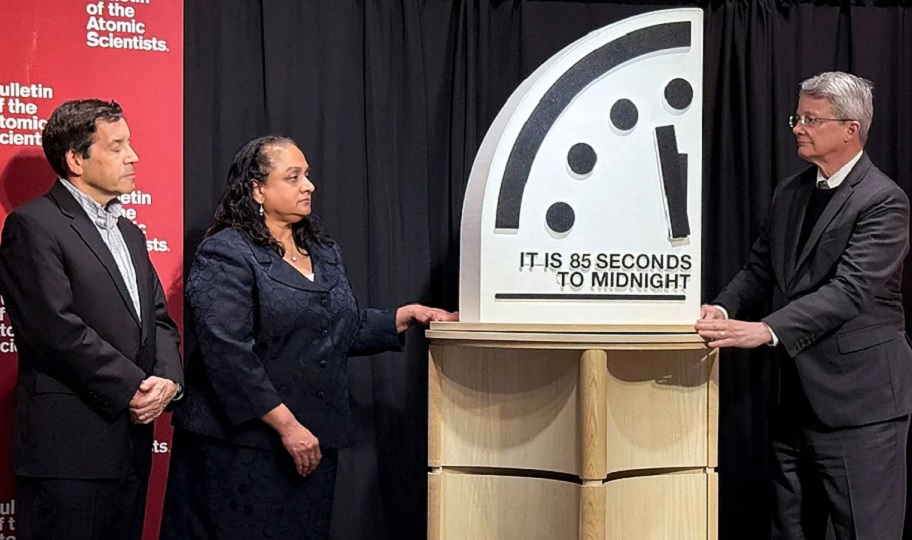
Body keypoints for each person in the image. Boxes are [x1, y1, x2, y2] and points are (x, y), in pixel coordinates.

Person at [161, 135, 457, 539]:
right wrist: (287, 427)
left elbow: (332, 329)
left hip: (311, 446)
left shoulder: (321, 250)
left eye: (307, 175)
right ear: (257, 190)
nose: (309, 186)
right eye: (293, 176)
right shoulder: (226, 252)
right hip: (240, 450)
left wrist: (403, 317)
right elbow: (227, 354)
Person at [695, 71, 912, 539]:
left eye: (812, 119)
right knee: (791, 530)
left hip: (859, 404)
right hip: (792, 399)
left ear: (851, 129)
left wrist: (766, 329)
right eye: (797, 117)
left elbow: (849, 291)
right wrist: (723, 309)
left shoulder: (883, 201)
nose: (798, 128)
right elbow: (760, 270)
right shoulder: (790, 192)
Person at [0, 99, 183, 540]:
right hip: (69, 453)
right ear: (76, 159)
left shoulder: (130, 233)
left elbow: (158, 319)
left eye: (130, 144)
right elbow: (53, 329)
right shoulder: (33, 224)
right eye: (117, 146)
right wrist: (133, 387)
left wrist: (168, 380)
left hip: (130, 447)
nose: (133, 157)